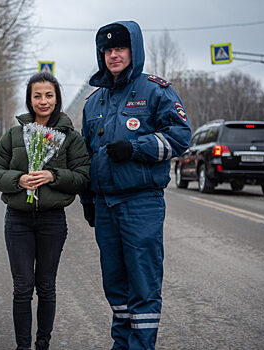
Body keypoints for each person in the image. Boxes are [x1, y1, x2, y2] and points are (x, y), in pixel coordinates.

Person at [80, 21, 192, 350]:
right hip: (106, 206)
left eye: (120, 48)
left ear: (134, 50)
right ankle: (122, 344)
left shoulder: (155, 91)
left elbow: (181, 136)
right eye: (108, 50)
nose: (114, 55)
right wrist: (88, 200)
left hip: (141, 203)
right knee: (115, 284)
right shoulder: (93, 102)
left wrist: (136, 148)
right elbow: (86, 155)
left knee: (142, 283)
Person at [0, 72, 90, 350]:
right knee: (22, 287)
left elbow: (83, 176)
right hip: (18, 220)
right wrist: (17, 180)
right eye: (37, 95)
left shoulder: (70, 137)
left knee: (46, 287)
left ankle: (42, 343)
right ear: (29, 99)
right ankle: (23, 346)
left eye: (49, 95)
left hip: (52, 221)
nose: (43, 101)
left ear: (56, 98)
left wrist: (53, 176)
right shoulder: (14, 134)